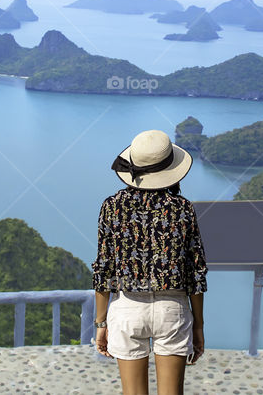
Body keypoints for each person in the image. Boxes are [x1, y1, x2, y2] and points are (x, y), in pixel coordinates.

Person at [91, 129, 208, 395]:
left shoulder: (111, 206)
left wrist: (101, 324)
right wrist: (199, 326)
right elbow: (196, 273)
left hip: (127, 309)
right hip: (173, 309)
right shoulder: (183, 208)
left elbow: (103, 270)